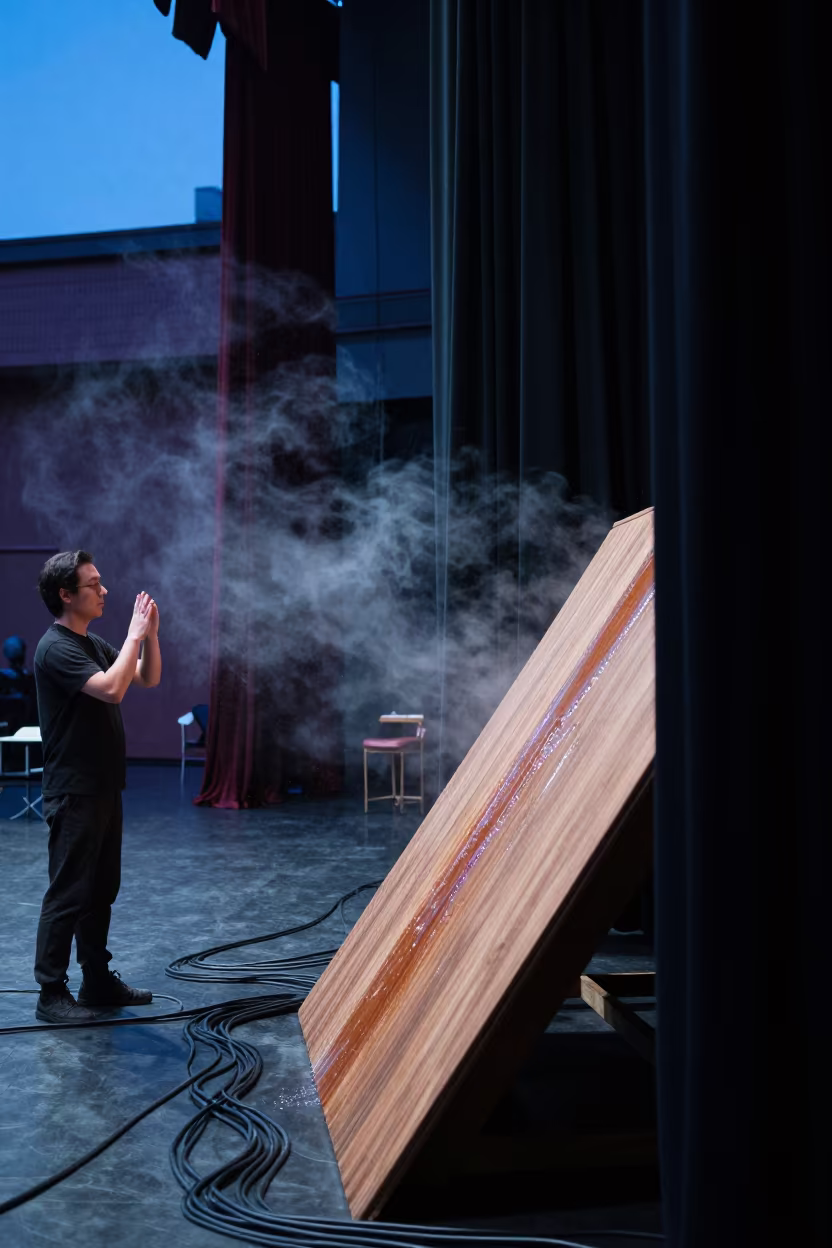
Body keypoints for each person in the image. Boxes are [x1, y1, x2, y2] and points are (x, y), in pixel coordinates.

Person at [32, 550, 162, 1024]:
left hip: (105, 787)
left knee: (102, 888)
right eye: (93, 585)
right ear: (66, 595)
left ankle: (96, 980)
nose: (104, 591)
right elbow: (111, 688)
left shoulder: (90, 641)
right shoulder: (56, 647)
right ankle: (51, 993)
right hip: (74, 789)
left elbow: (146, 676)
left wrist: (149, 637)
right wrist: (132, 636)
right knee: (68, 892)